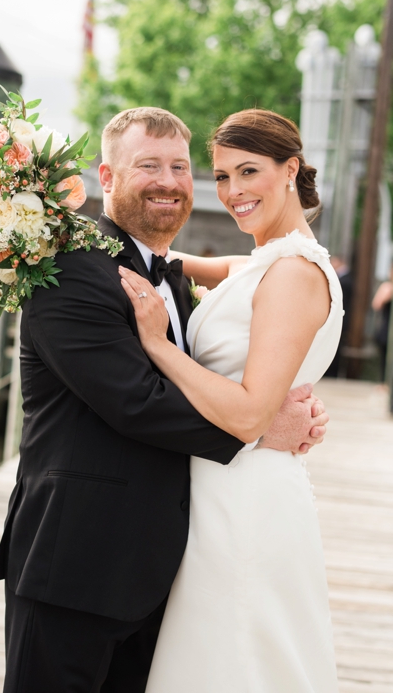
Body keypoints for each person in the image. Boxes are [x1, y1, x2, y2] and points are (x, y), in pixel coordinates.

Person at [0, 107, 330, 692]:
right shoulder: (70, 271)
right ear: (108, 178)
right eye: (148, 165)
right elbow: (137, 401)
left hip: (161, 568)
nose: (169, 181)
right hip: (75, 563)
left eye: (179, 167)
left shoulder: (167, 275)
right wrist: (259, 426)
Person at [117, 109, 340, 691]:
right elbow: (179, 263)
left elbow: (247, 414)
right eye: (220, 177)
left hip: (244, 503)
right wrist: (89, 235)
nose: (233, 192)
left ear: (289, 169)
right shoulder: (263, 263)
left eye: (248, 172)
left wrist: (158, 345)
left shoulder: (292, 273)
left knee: (234, 662)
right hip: (216, 493)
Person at [373, 264, 392, 381]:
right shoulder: (386, 287)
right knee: (384, 357)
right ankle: (383, 381)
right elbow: (376, 305)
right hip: (387, 326)